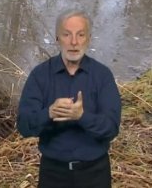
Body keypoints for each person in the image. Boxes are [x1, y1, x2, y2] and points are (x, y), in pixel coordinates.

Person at [17, 10, 121, 188]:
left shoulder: (102, 75)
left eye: (80, 35)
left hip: (95, 174)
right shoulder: (40, 75)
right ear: (57, 37)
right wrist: (49, 112)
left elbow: (111, 128)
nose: (74, 42)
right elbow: (24, 126)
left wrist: (82, 116)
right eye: (67, 34)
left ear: (88, 38)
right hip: (53, 174)